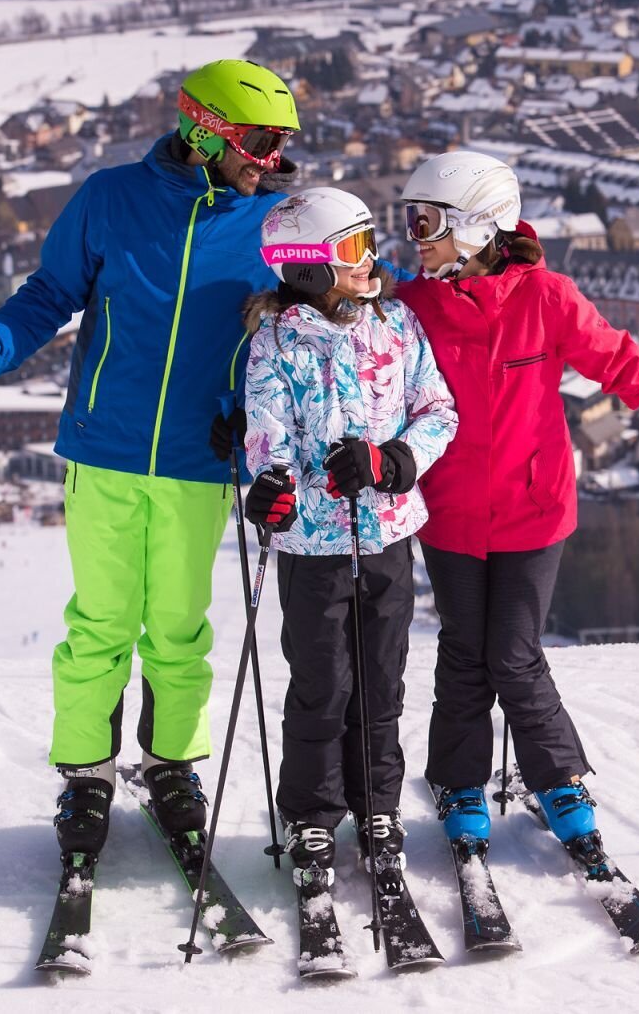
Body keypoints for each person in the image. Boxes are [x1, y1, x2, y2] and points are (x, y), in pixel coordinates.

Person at [0, 59, 300, 865]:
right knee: (99, 625)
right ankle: (86, 774)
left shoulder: (273, 226)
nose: (269, 159)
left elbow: (337, 305)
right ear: (204, 130)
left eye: (280, 146)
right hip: (103, 448)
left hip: (202, 461)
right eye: (260, 140)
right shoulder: (109, 199)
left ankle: (172, 768)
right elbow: (48, 294)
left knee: (177, 628)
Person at [393, 151, 639, 861]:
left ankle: (558, 776)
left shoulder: (547, 298)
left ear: (479, 226)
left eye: (428, 221)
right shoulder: (413, 309)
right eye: (410, 219)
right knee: (466, 651)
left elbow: (620, 363)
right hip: (450, 514)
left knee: (514, 652)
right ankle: (461, 782)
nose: (415, 235)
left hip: (533, 513)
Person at [240, 187, 457, 881]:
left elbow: (438, 411)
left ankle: (378, 807)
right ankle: (310, 814)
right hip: (312, 549)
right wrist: (271, 488)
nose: (372, 261)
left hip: (389, 535)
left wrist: (393, 462)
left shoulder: (394, 325)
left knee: (382, 682)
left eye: (370, 244)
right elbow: (264, 435)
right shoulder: (272, 342)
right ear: (306, 265)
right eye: (353, 249)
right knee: (322, 686)